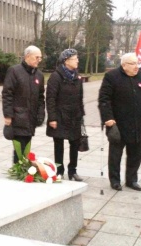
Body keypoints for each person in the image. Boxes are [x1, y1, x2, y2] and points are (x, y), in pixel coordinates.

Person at [98, 53, 141, 191]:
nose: (137, 66)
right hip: (118, 124)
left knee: (136, 155)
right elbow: (104, 99)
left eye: (138, 63)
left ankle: (132, 180)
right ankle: (115, 180)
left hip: (137, 124)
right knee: (115, 155)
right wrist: (108, 119)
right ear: (124, 65)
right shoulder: (112, 77)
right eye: (133, 64)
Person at [46, 49, 85, 181]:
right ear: (66, 60)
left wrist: (81, 114)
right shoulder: (56, 76)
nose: (77, 61)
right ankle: (59, 170)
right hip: (60, 116)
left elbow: (80, 97)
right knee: (59, 145)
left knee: (75, 144)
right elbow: (50, 98)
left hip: (75, 116)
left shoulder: (77, 77)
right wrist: (52, 117)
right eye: (75, 58)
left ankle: (72, 170)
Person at [2, 45, 45, 163]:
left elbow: (41, 97)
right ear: (27, 56)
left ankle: (23, 171)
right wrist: (8, 115)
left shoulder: (39, 75)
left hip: (31, 118)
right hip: (18, 117)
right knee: (19, 148)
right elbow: (7, 94)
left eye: (40, 57)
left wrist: (41, 114)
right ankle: (18, 171)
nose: (39, 60)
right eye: (37, 57)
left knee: (27, 146)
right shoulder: (14, 71)